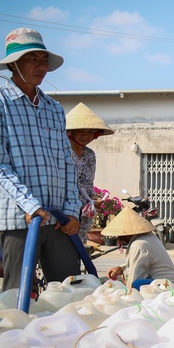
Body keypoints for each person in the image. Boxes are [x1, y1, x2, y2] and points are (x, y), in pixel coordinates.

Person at [0, 28, 82, 291]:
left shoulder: (54, 109)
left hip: (57, 218)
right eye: (33, 59)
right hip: (18, 217)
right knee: (19, 293)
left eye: (44, 60)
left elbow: (67, 163)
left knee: (70, 290)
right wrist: (31, 206)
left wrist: (71, 209)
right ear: (13, 64)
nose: (42, 66)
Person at [65, 102, 114, 244]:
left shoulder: (89, 155)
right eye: (82, 131)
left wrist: (94, 198)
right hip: (66, 210)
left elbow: (88, 184)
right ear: (70, 132)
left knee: (78, 248)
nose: (86, 136)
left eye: (90, 132)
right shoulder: (62, 152)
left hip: (84, 212)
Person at [103, 207, 174, 290]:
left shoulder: (138, 245)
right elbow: (140, 263)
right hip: (172, 285)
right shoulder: (148, 237)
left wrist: (126, 287)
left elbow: (134, 280)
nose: (119, 238)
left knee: (136, 284)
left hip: (170, 288)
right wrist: (121, 269)